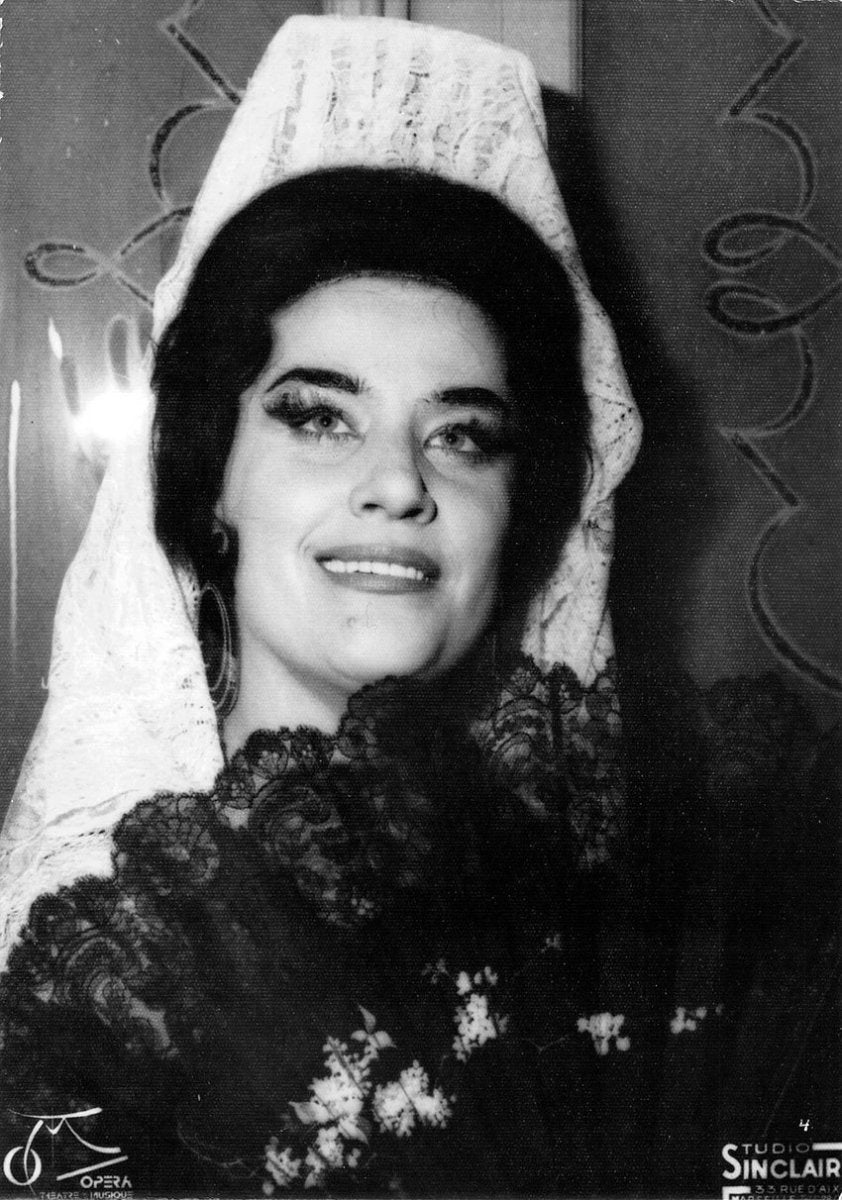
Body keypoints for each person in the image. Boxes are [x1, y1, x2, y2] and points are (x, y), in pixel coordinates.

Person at [6, 14, 834, 1200]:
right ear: (207, 482)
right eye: (317, 417)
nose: (399, 483)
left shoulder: (653, 910)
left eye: (462, 435)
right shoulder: (80, 954)